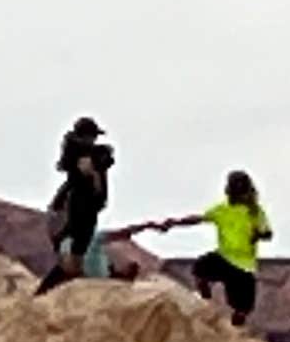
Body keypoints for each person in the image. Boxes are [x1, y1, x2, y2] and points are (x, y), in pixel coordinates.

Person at [133, 170, 274, 326]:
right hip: (224, 258)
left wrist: (259, 235)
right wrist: (175, 222)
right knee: (200, 270)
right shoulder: (222, 209)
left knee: (242, 309)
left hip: (244, 267)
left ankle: (234, 335)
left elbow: (268, 233)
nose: (234, 195)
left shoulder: (254, 212)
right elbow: (198, 219)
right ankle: (205, 302)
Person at [36, 117, 114, 290]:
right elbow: (87, 172)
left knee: (75, 259)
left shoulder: (82, 159)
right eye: (92, 136)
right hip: (76, 216)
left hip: (75, 216)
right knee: (73, 259)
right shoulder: (82, 163)